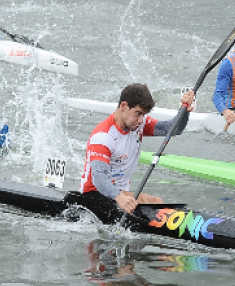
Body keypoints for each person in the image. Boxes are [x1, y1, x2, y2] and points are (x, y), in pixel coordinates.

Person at [79, 83, 195, 215]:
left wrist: (184, 110)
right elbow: (99, 178)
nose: (141, 120)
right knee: (151, 203)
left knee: (156, 201)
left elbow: (172, 129)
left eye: (144, 115)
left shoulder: (138, 124)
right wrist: (119, 198)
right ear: (124, 106)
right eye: (138, 113)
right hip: (94, 196)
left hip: (120, 194)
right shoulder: (103, 136)